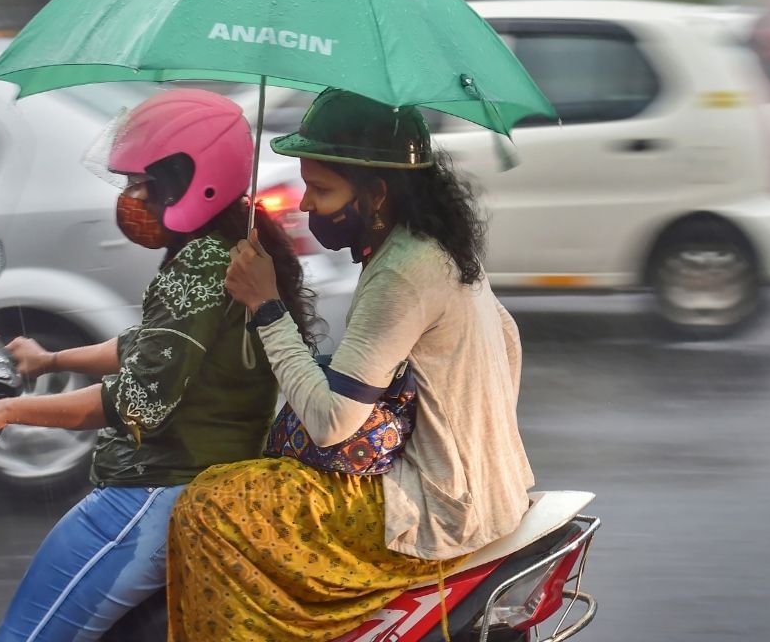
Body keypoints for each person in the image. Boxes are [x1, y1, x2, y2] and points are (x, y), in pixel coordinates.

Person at [0, 88, 317, 642]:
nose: (132, 197)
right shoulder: (225, 249)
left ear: (193, 181)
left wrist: (8, 410)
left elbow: (136, 402)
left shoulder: (202, 267)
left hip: (156, 491)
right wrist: (50, 359)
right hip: (188, 484)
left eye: (146, 183)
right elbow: (153, 344)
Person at [166, 89, 534, 641]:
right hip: (494, 487)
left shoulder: (402, 272)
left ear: (377, 192)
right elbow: (509, 342)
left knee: (208, 508)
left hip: (438, 512)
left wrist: (266, 307)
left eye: (321, 189)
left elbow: (333, 422)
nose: (306, 205)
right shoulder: (440, 249)